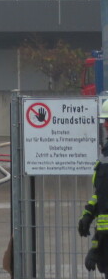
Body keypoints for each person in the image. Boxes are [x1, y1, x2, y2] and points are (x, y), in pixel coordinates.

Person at [77, 99, 108, 274]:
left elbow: (106, 215)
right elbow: (101, 194)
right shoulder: (105, 155)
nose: (104, 124)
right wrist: (88, 213)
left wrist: (96, 248)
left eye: (107, 120)